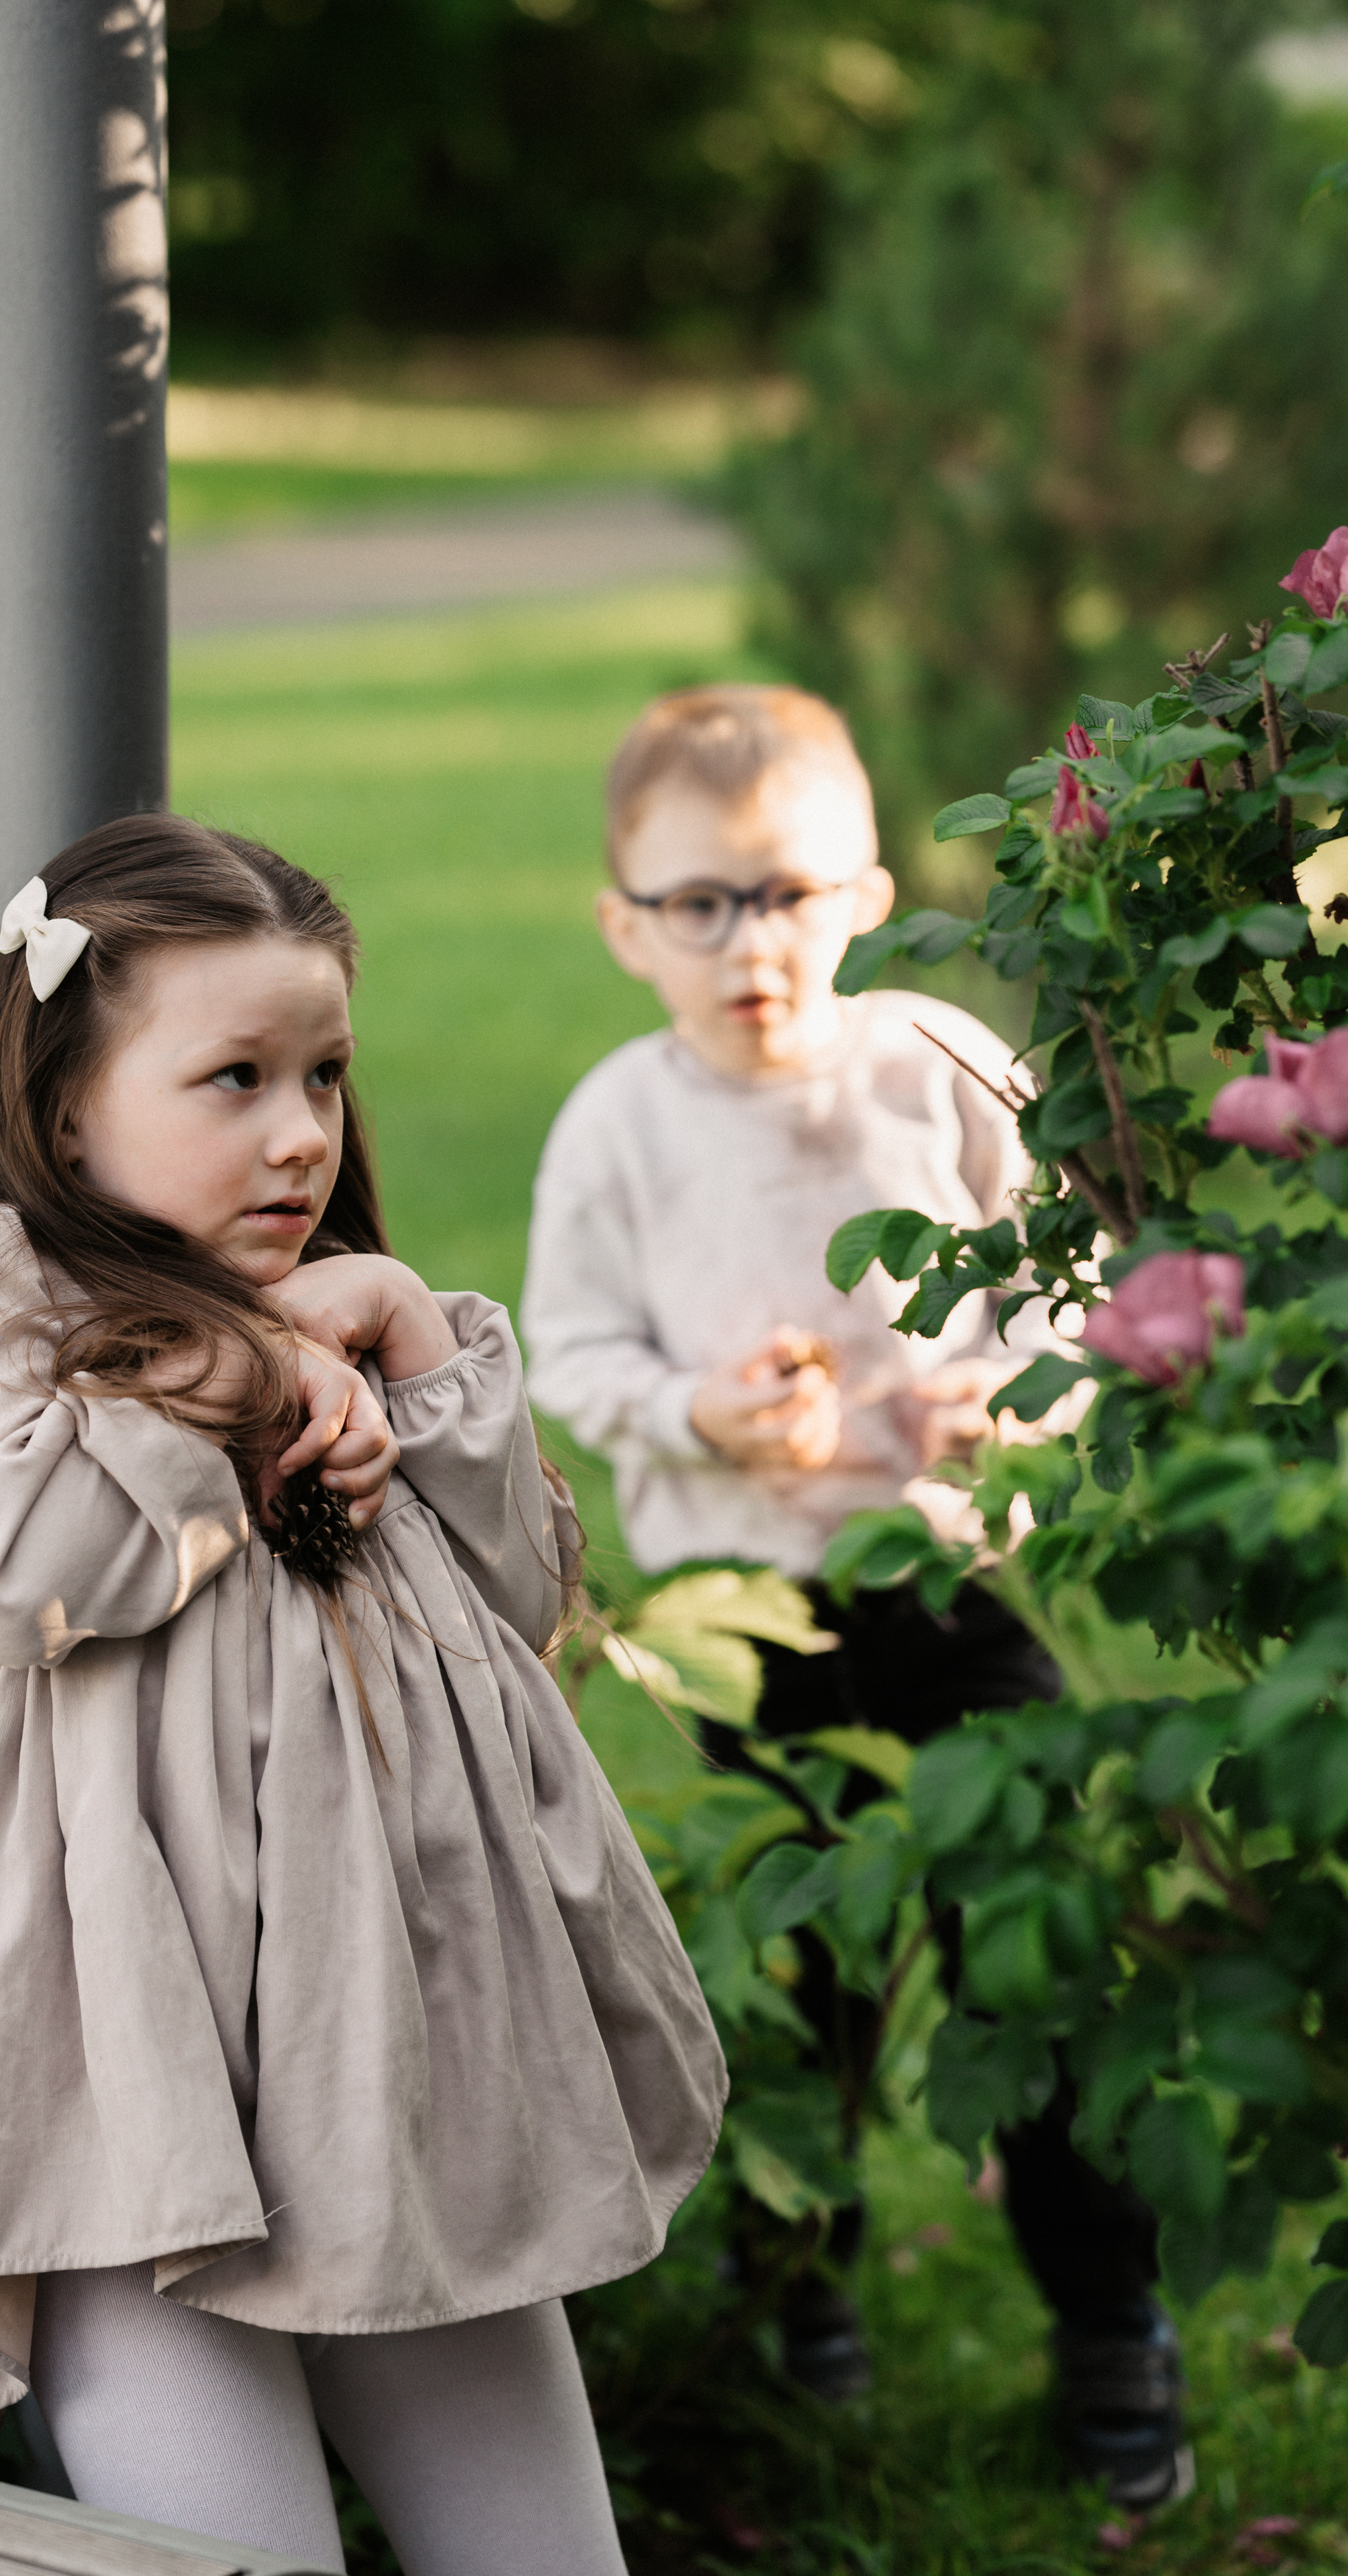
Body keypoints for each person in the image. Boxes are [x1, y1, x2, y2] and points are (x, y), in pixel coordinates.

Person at [0, 814, 727, 2576]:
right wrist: (250, 1355)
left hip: (401, 2093)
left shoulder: (351, 1316)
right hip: (135, 2123)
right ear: (68, 1100)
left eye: (323, 1072)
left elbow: (522, 1595)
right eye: (233, 1077)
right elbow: (26, 1568)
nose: (301, 1131)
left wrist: (401, 1321)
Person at [521, 685, 1189, 2510]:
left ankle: (1110, 2310)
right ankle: (791, 2296)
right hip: (753, 1617)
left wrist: (1014, 1389)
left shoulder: (935, 1066)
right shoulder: (620, 1128)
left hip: (955, 1592)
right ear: (624, 924)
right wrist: (697, 1410)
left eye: (791, 893)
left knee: (1034, 1949)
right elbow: (568, 1351)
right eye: (698, 904)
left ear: (870, 894)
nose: (751, 942)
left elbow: (1066, 1286)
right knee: (774, 1990)